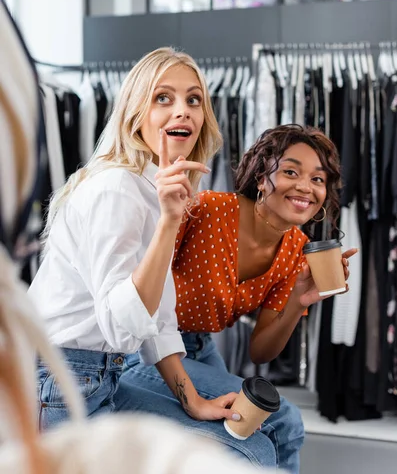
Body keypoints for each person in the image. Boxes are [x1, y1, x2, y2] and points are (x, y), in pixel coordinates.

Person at [29, 47, 244, 431]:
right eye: (164, 98)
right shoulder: (118, 189)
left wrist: (193, 402)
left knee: (253, 445)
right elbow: (120, 324)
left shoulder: (151, 188)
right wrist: (168, 222)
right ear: (134, 116)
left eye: (194, 99)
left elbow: (157, 320)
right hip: (59, 381)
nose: (183, 110)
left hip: (96, 376)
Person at [122, 124, 358, 473]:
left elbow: (259, 351)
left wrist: (299, 300)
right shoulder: (206, 211)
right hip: (144, 347)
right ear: (262, 177)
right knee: (281, 424)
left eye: (318, 179)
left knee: (265, 428)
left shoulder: (295, 250)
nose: (306, 187)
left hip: (200, 350)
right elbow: (144, 296)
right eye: (291, 171)